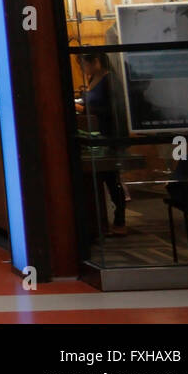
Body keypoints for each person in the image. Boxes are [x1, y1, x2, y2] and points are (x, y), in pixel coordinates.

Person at [78, 52, 127, 236]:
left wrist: (84, 108)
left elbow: (114, 109)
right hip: (96, 136)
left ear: (96, 61)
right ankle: (103, 221)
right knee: (102, 178)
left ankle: (120, 220)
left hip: (109, 135)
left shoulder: (110, 81)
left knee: (111, 178)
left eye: (85, 64)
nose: (83, 68)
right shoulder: (93, 79)